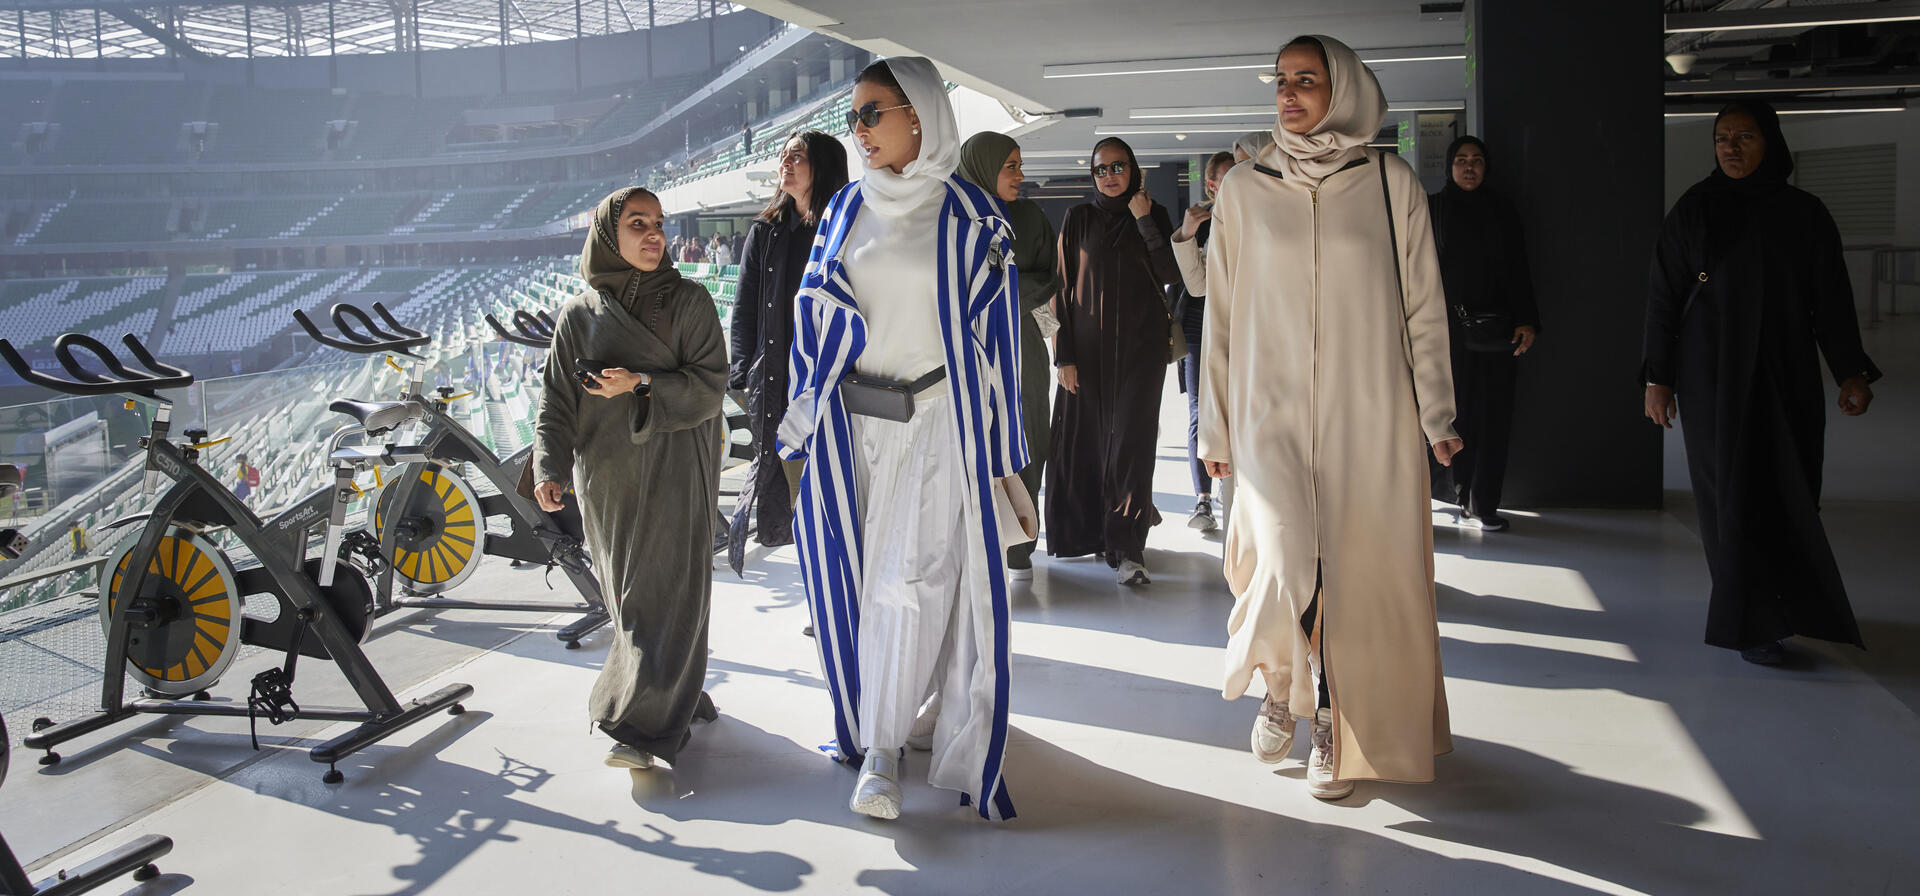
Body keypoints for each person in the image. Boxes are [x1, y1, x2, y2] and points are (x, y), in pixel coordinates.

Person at [1201, 35, 1459, 801]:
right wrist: (1213, 429)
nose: (1288, 93)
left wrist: (1438, 411)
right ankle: (1282, 681)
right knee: (1282, 561)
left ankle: (1327, 717)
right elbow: (1219, 314)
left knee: (1356, 574)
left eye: (1306, 80)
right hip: (1266, 411)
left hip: (1368, 411)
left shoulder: (1390, 182)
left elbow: (1424, 306)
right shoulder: (1245, 190)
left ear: (1342, 89)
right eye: (1281, 80)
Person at [777, 56, 1024, 821]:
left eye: (871, 112)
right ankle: (880, 715)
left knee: (908, 582)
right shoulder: (847, 207)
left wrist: (1007, 456)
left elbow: (1002, 341)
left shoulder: (974, 218)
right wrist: (802, 411)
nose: (858, 130)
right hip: (853, 429)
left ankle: (881, 749)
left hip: (936, 425)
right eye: (853, 116)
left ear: (918, 114)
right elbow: (811, 310)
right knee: (854, 582)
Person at [1642, 100, 1880, 667]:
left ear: (1769, 141)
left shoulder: (1804, 214)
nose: (1730, 147)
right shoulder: (1695, 211)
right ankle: (1749, 624)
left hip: (1785, 373)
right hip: (1711, 376)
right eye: (1723, 137)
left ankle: (1787, 606)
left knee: (1789, 485)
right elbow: (1662, 300)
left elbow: (1832, 301)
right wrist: (1658, 377)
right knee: (1727, 492)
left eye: (1744, 136)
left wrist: (1850, 370)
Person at [531, 186, 728, 771]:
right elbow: (555, 404)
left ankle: (640, 727)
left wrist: (641, 384)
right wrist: (549, 466)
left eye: (659, 223)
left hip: (676, 469)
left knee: (667, 591)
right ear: (607, 235)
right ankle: (677, 692)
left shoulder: (690, 302)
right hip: (608, 479)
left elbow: (710, 387)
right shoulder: (577, 317)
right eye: (637, 223)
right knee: (627, 598)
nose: (653, 234)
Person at [1047, 137, 1180, 585]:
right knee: (1084, 443)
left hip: (1141, 355)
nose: (1109, 176)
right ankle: (1090, 532)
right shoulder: (1078, 218)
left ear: (1134, 170)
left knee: (1132, 447)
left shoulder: (1153, 215)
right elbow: (1058, 291)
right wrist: (1061, 355)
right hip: (1083, 355)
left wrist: (1144, 221)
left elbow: (1170, 276)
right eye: (1100, 170)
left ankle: (1128, 547)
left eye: (1117, 166)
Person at [727, 129, 850, 570]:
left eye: (797, 156)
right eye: (784, 155)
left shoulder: (844, 229)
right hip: (779, 382)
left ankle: (841, 583)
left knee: (840, 486)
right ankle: (820, 586)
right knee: (792, 485)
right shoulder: (766, 232)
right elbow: (745, 310)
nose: (786, 163)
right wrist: (742, 375)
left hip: (834, 380)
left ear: (824, 166)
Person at [957, 130, 1060, 579]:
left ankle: (1020, 544)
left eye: (1020, 165)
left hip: (1023, 348)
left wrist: (997, 288)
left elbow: (1047, 280)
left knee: (1027, 438)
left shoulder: (1032, 217)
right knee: (976, 442)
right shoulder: (953, 216)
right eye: (1010, 167)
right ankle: (975, 547)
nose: (1020, 175)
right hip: (969, 351)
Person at [1428, 136, 1540, 532]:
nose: (1469, 167)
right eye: (1461, 160)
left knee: (1494, 417)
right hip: (1444, 333)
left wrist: (1527, 319)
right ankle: (1449, 492)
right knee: (1448, 414)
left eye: (1476, 160)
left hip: (1497, 333)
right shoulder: (1434, 209)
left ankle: (1483, 502)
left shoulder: (1502, 211)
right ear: (1449, 166)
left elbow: (1519, 270)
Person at [1171, 150, 1235, 532]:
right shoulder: (1205, 225)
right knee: (1201, 409)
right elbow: (1197, 287)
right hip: (1200, 323)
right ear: (1211, 186)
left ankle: (1240, 495)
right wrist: (1188, 234)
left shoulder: (1256, 217)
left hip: (1242, 324)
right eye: (1228, 177)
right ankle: (1204, 499)